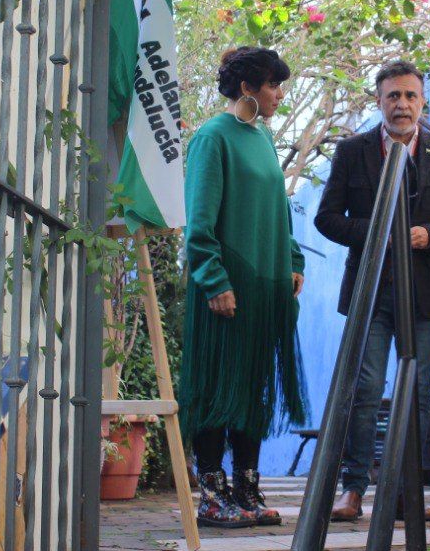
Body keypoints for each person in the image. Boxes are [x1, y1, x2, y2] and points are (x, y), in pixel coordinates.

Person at [315, 60, 430, 522]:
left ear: (422, 101)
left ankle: (409, 492)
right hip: (370, 291)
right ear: (379, 101)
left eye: (410, 96)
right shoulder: (353, 152)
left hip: (424, 292)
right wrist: (376, 232)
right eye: (393, 96)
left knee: (419, 390)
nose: (402, 104)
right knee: (364, 388)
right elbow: (326, 218)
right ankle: (353, 488)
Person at [180, 46, 307, 528]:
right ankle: (212, 496)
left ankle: (246, 490)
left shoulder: (262, 138)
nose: (279, 95)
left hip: (265, 286)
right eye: (273, 85)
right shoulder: (213, 137)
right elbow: (199, 222)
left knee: (251, 391)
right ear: (248, 87)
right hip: (226, 286)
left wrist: (291, 260)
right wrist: (214, 280)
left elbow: (278, 209)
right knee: (217, 389)